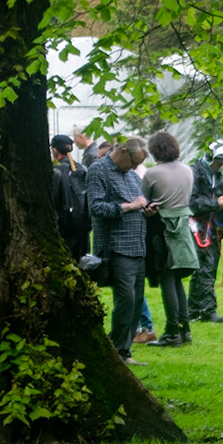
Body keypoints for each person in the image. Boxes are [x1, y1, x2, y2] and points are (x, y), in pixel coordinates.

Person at [86, 137, 150, 363]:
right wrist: (130, 206)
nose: (135, 168)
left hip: (138, 246)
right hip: (117, 246)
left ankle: (122, 349)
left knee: (136, 300)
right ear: (123, 152)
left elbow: (138, 203)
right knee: (126, 300)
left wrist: (146, 209)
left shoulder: (132, 175)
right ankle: (118, 352)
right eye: (133, 162)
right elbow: (95, 206)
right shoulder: (98, 170)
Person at [142, 131, 200, 348]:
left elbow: (144, 200)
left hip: (162, 228)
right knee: (177, 280)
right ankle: (185, 331)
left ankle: (172, 332)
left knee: (167, 279)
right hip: (183, 228)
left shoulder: (152, 173)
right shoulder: (187, 170)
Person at [187, 151, 223, 324]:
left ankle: (193, 310)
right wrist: (215, 204)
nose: (221, 167)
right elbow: (192, 203)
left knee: (205, 268)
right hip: (197, 227)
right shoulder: (194, 173)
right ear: (210, 159)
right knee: (205, 268)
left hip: (213, 228)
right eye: (218, 163)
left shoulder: (218, 177)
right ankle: (208, 310)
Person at [50, 133, 90, 259]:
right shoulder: (83, 169)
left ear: (55, 150)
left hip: (65, 227)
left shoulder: (56, 171)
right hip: (83, 226)